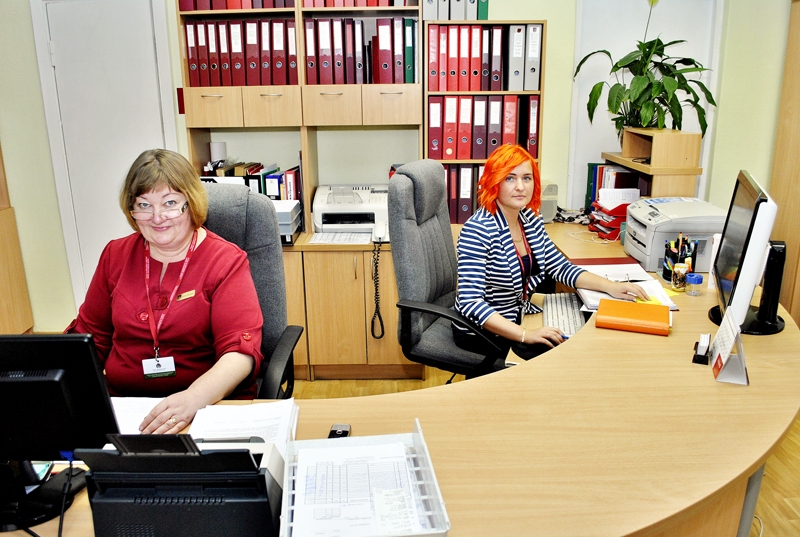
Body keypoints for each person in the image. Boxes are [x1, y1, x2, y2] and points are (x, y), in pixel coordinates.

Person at [67, 149, 264, 434]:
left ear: (190, 203)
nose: (157, 217)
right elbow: (89, 340)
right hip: (125, 411)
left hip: (205, 409)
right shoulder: (115, 255)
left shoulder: (225, 261)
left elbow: (240, 353)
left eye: (170, 203)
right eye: (144, 205)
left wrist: (193, 400)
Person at [454, 144, 648, 360]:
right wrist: (525, 334)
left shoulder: (530, 220)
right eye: (510, 178)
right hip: (484, 332)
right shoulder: (478, 229)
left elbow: (560, 268)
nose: (520, 186)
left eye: (526, 178)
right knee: (569, 354)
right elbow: (470, 302)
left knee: (586, 336)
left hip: (518, 314)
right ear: (494, 182)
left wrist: (611, 287)